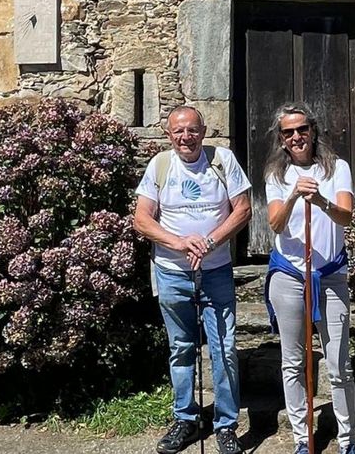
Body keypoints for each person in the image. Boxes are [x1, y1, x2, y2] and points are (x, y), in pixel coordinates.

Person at [133, 105, 251, 454]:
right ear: (169, 135)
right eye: (178, 132)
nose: (186, 137)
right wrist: (180, 243)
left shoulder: (223, 160)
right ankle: (185, 419)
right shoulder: (160, 165)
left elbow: (243, 208)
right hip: (171, 272)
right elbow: (142, 218)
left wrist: (211, 242)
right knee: (181, 348)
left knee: (224, 348)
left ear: (203, 131)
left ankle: (226, 425)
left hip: (215, 271)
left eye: (192, 130)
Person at [263, 102, 355, 454]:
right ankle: (303, 441)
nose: (297, 137)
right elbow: (275, 223)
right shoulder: (276, 175)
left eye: (302, 129)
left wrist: (319, 200)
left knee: (338, 363)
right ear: (281, 139)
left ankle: (349, 440)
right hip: (288, 275)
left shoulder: (338, 169)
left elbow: (346, 216)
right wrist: (292, 197)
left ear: (313, 130)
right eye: (288, 133)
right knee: (293, 362)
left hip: (330, 276)